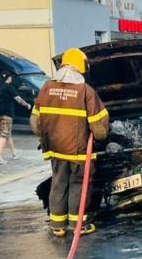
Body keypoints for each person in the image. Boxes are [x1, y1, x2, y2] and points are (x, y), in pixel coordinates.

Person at [30, 48, 109, 237]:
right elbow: (98, 127)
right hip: (78, 152)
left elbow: (34, 121)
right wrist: (102, 138)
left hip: (56, 150)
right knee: (78, 185)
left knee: (58, 183)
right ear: (81, 68)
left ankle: (57, 226)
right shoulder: (85, 91)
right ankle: (77, 225)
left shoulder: (47, 88)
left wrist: (45, 138)